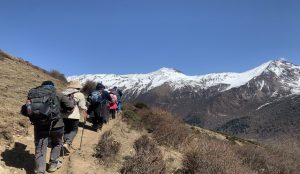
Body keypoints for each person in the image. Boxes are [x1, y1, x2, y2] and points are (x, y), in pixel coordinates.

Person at [22, 81, 75, 174]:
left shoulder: (34, 95)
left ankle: (40, 171)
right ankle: (53, 165)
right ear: (53, 86)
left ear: (42, 87)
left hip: (40, 126)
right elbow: (70, 106)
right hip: (57, 125)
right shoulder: (58, 94)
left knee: (40, 147)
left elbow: (24, 110)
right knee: (57, 143)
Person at [62, 80, 88, 154]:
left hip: (63, 115)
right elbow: (82, 106)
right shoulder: (79, 94)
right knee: (73, 130)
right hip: (74, 115)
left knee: (65, 130)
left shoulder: (63, 93)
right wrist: (86, 109)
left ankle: (66, 142)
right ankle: (67, 143)